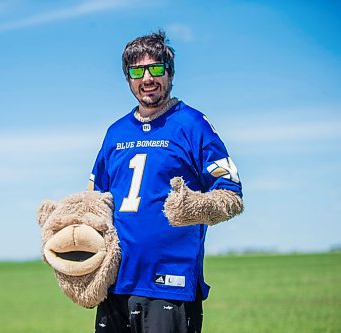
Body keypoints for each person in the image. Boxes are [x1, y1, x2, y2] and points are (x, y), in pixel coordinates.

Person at [87, 30, 243, 333]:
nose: (147, 78)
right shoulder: (115, 132)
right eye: (137, 71)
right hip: (116, 283)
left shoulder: (193, 124)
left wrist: (195, 207)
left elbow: (231, 192)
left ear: (169, 72)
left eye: (156, 68)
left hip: (170, 283)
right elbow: (95, 200)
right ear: (128, 78)